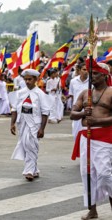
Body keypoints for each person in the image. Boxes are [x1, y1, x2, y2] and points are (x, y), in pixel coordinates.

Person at [70, 60, 112, 220]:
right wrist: (82, 114)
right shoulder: (84, 94)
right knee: (87, 174)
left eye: (95, 74)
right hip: (86, 137)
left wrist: (98, 122)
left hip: (105, 137)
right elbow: (73, 113)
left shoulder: (111, 92)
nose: (91, 76)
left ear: (104, 75)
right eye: (91, 73)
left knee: (104, 174)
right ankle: (92, 210)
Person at [10, 69, 51, 181]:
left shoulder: (40, 94)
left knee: (31, 144)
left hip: (34, 123)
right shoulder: (20, 93)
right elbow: (14, 108)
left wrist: (42, 128)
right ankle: (34, 169)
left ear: (35, 80)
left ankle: (29, 171)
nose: (27, 81)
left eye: (30, 79)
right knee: (26, 145)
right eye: (26, 79)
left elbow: (45, 112)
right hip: (22, 122)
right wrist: (12, 123)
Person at [68, 62, 88, 139]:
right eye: (84, 69)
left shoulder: (92, 82)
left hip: (88, 110)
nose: (86, 71)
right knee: (76, 132)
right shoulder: (73, 81)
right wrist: (74, 109)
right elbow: (72, 95)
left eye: (87, 69)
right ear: (79, 71)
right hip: (77, 110)